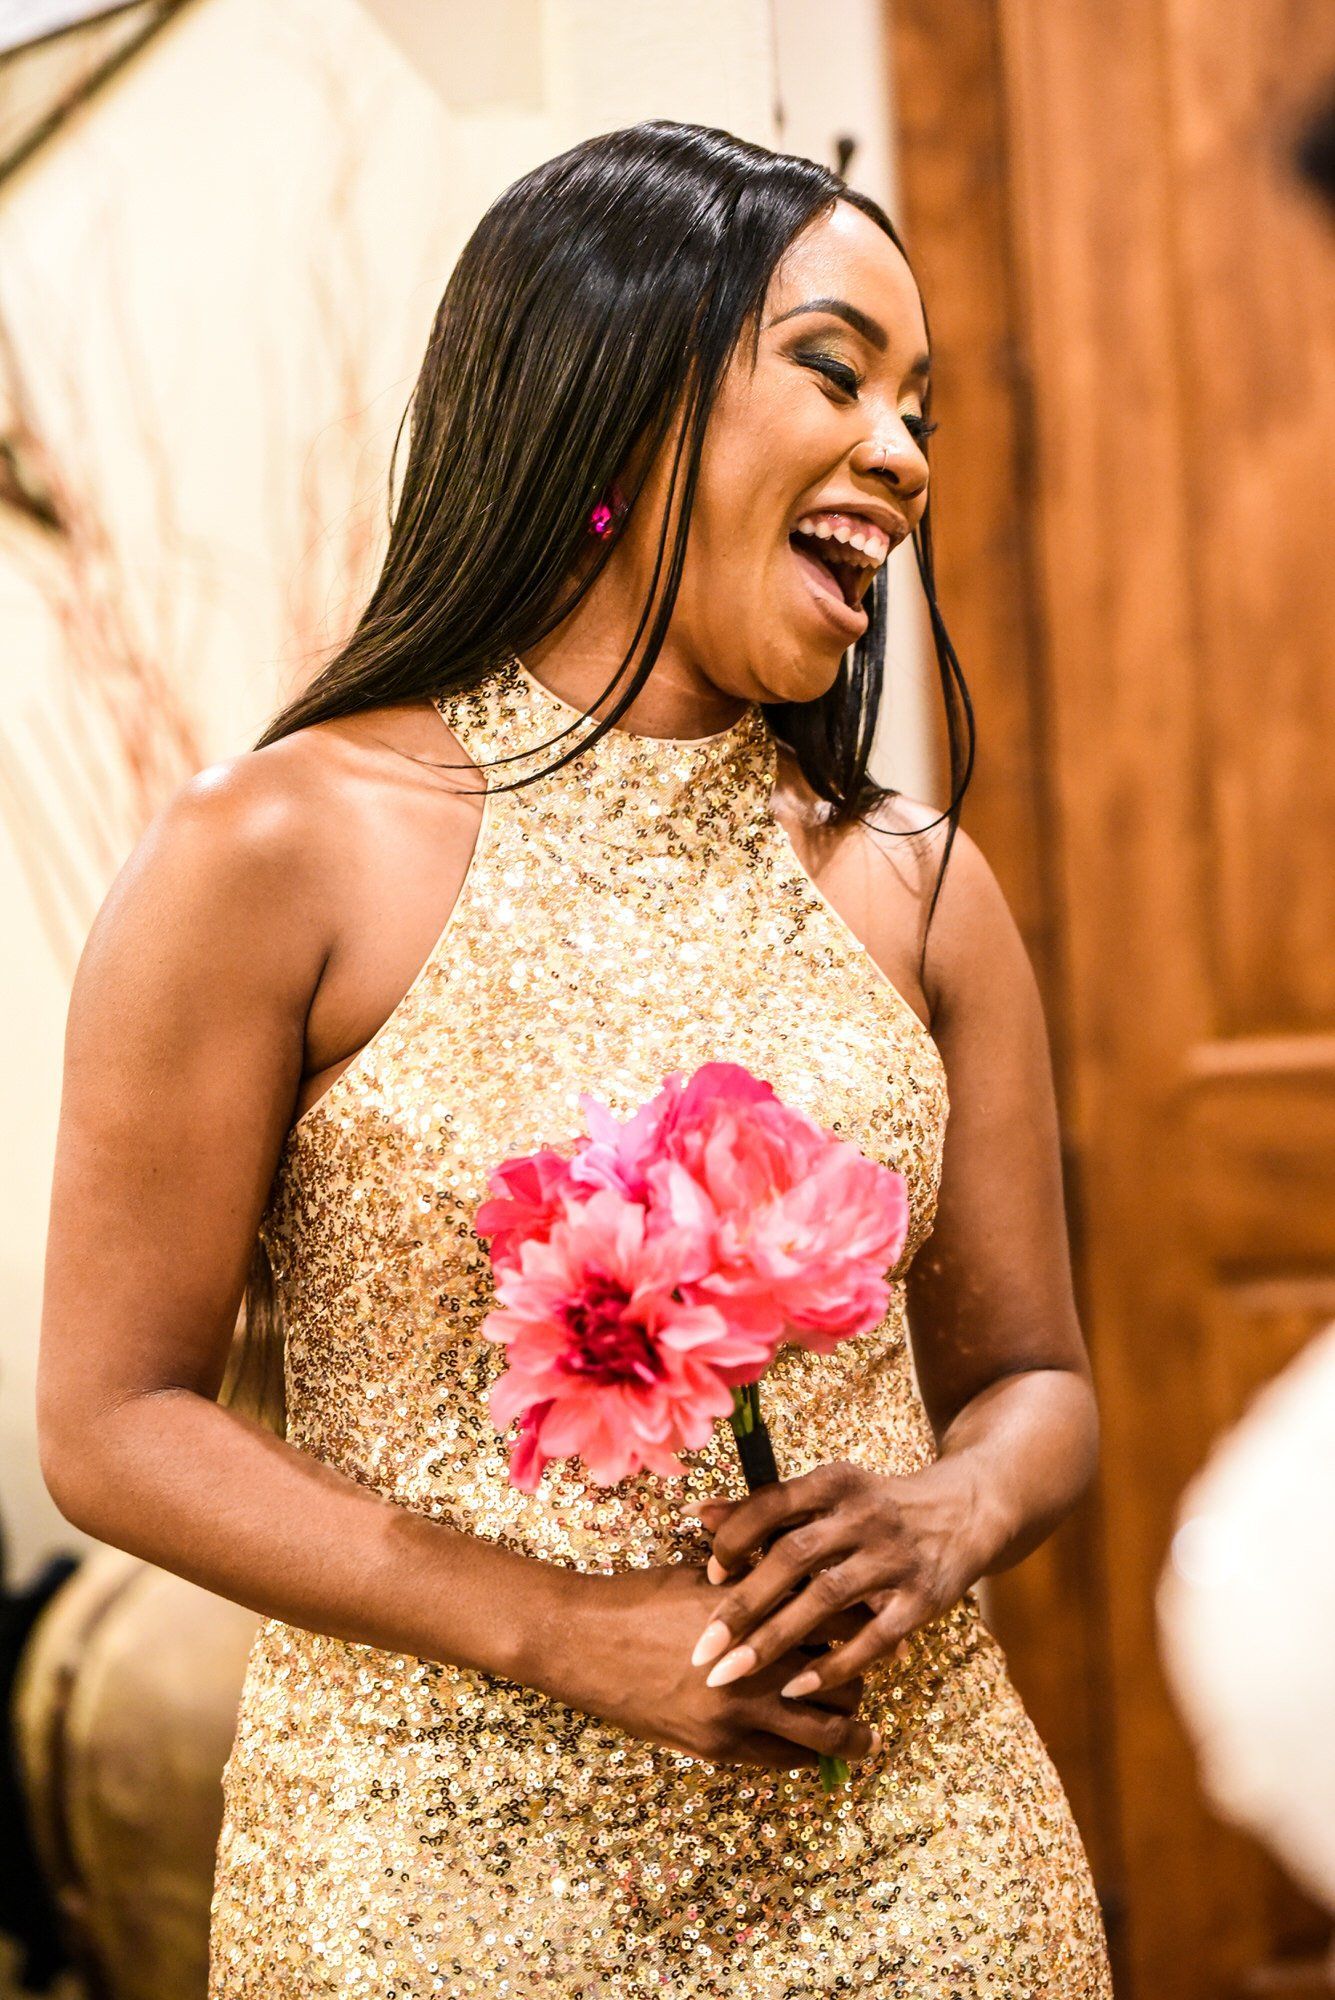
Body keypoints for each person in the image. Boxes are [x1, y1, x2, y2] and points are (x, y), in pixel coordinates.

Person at [37, 120, 1113, 1995]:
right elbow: (113, 1424)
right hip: (432, 1885)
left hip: (925, 1869)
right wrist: (560, 1625)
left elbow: (1035, 1380)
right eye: (837, 371)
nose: (908, 455)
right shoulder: (276, 850)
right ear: (620, 395)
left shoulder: (919, 888)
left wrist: (954, 1510)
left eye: (920, 403)